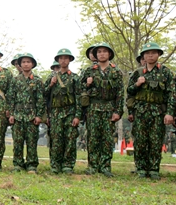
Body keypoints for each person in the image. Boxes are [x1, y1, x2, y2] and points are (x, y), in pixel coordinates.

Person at [126, 42, 175, 180]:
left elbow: (171, 93)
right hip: (140, 112)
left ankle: (154, 169)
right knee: (140, 140)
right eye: (147, 53)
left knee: (156, 141)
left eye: (153, 52)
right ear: (143, 56)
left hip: (158, 112)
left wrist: (170, 113)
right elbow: (129, 91)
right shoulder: (137, 73)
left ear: (158, 54)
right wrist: (137, 84)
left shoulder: (166, 72)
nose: (150, 55)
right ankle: (141, 168)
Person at [81, 42, 124, 177]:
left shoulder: (116, 71)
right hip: (93, 108)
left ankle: (105, 166)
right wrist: (87, 84)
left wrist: (118, 111)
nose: (102, 54)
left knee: (107, 138)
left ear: (109, 54)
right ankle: (92, 166)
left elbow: (120, 93)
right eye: (99, 52)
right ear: (95, 55)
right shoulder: (89, 70)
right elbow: (79, 90)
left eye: (104, 51)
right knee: (93, 137)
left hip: (109, 109)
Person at [44, 48, 81, 174]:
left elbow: (79, 98)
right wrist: (51, 84)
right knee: (56, 139)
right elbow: (44, 94)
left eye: (66, 58)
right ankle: (55, 165)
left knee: (70, 139)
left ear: (70, 60)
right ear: (58, 60)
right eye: (61, 58)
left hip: (70, 112)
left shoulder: (75, 78)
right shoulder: (51, 77)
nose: (63, 60)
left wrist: (77, 116)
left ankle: (68, 165)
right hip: (55, 113)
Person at [7, 53, 45, 173]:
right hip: (18, 115)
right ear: (20, 64)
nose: (26, 64)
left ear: (32, 64)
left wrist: (39, 115)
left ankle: (31, 165)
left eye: (28, 62)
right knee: (17, 141)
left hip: (31, 115)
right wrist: (11, 114)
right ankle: (18, 164)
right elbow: (11, 98)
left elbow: (40, 99)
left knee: (31, 141)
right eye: (23, 62)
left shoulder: (37, 81)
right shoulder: (15, 80)